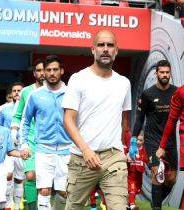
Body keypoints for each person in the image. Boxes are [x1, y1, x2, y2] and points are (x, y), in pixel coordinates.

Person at [63, 29, 131, 210]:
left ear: (116, 50)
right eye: (101, 45)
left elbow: (124, 120)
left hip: (113, 159)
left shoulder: (124, 83)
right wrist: (85, 150)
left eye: (110, 45)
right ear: (93, 49)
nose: (106, 49)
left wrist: (121, 149)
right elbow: (68, 120)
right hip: (81, 158)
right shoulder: (78, 79)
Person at [20, 55, 72, 210]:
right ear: (44, 73)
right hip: (43, 148)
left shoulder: (71, 93)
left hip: (67, 149)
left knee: (64, 192)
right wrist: (24, 144)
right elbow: (25, 121)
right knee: (44, 190)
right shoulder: (35, 95)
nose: (51, 73)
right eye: (48, 70)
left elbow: (79, 122)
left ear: (61, 71)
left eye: (55, 69)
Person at [132, 59, 178, 210]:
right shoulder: (147, 94)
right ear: (156, 73)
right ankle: (157, 208)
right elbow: (139, 119)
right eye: (162, 72)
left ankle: (155, 202)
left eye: (167, 72)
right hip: (152, 141)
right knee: (158, 173)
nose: (165, 75)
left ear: (170, 74)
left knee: (171, 179)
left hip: (170, 142)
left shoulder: (177, 93)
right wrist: (133, 138)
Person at [11, 59, 44, 210]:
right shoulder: (25, 92)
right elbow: (17, 115)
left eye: (45, 69)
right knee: (30, 175)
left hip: (50, 142)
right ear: (34, 73)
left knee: (50, 183)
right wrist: (13, 133)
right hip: (30, 140)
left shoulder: (58, 90)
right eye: (38, 70)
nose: (42, 73)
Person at [0, 82, 24, 210]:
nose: (17, 92)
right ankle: (8, 204)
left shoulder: (28, 107)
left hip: (23, 147)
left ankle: (18, 205)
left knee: (19, 179)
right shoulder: (3, 109)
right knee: (8, 175)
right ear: (11, 93)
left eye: (19, 90)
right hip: (8, 148)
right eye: (14, 90)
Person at [126, 131, 148, 210]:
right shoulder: (130, 148)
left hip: (139, 173)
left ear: (144, 141)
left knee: (137, 189)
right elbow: (126, 158)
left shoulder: (144, 150)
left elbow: (146, 160)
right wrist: (128, 157)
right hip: (131, 172)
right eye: (137, 140)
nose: (138, 142)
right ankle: (132, 205)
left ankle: (129, 204)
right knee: (132, 188)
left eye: (141, 140)